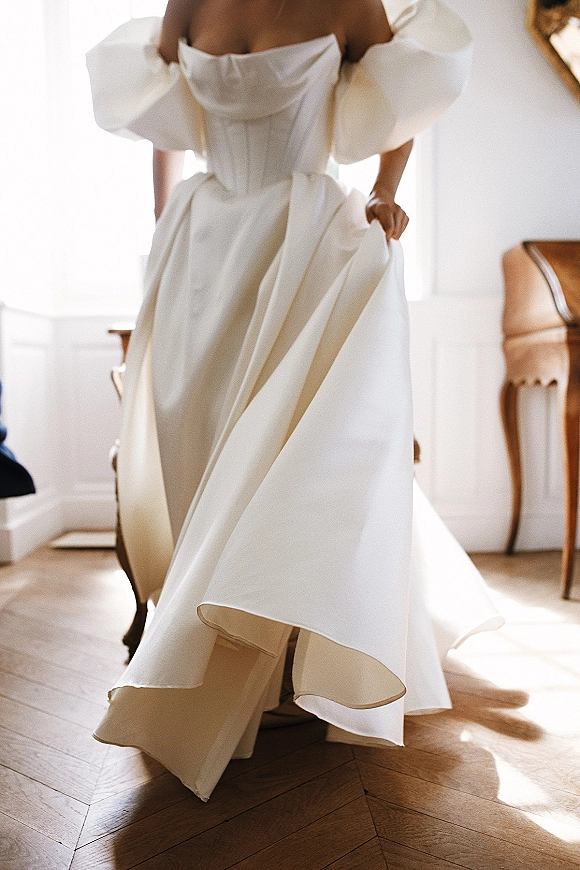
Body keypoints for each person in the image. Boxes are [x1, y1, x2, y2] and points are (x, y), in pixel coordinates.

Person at [87, 0, 503, 802]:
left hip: (303, 236)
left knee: (288, 448)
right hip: (201, 244)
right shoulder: (190, 1)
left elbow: (402, 93)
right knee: (198, 437)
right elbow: (161, 111)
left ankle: (280, 653)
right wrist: (159, 217)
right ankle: (211, 633)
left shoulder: (350, 0)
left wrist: (385, 190)